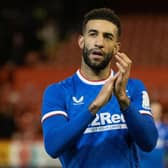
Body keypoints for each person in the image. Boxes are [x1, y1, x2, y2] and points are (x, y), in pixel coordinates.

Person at [41, 8, 158, 168]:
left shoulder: (133, 87)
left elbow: (149, 143)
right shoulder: (58, 92)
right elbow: (53, 146)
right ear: (81, 41)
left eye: (107, 37)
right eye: (93, 34)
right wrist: (94, 107)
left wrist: (123, 100)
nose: (99, 42)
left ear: (116, 48)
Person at [139, 101, 168, 168]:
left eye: (157, 111)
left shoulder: (166, 129)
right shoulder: (141, 128)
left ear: (161, 112)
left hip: (159, 164)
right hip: (143, 164)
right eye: (153, 111)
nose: (155, 113)